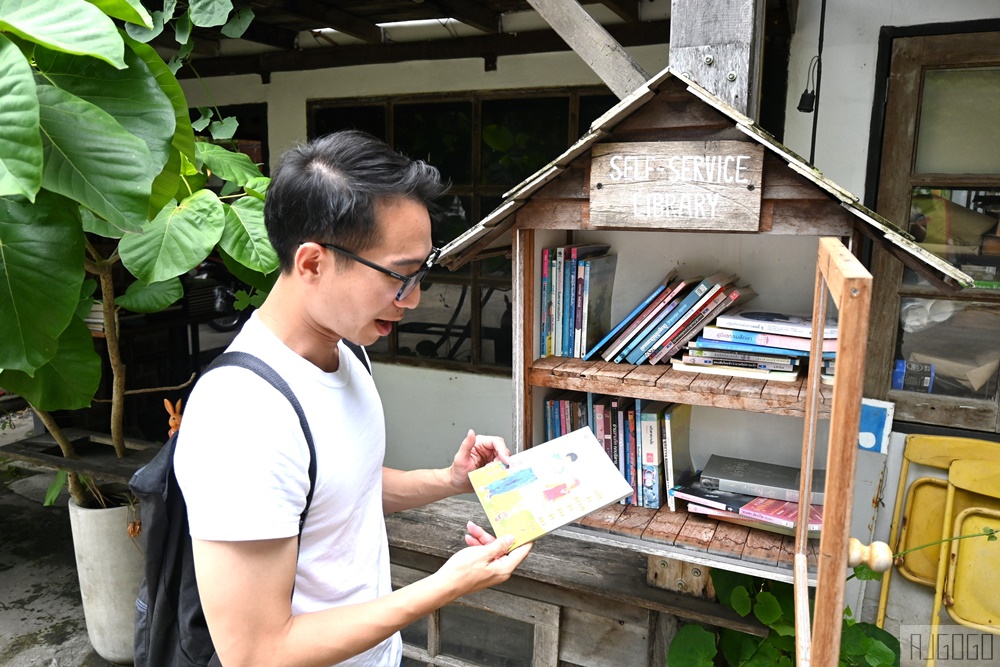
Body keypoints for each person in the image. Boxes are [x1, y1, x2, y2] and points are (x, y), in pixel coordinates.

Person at [174, 130, 532, 667]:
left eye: (421, 274)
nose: (412, 300)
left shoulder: (346, 351)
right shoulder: (242, 417)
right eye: (399, 277)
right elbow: (254, 653)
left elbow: (344, 491)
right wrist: (442, 587)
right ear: (313, 262)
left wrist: (449, 481)